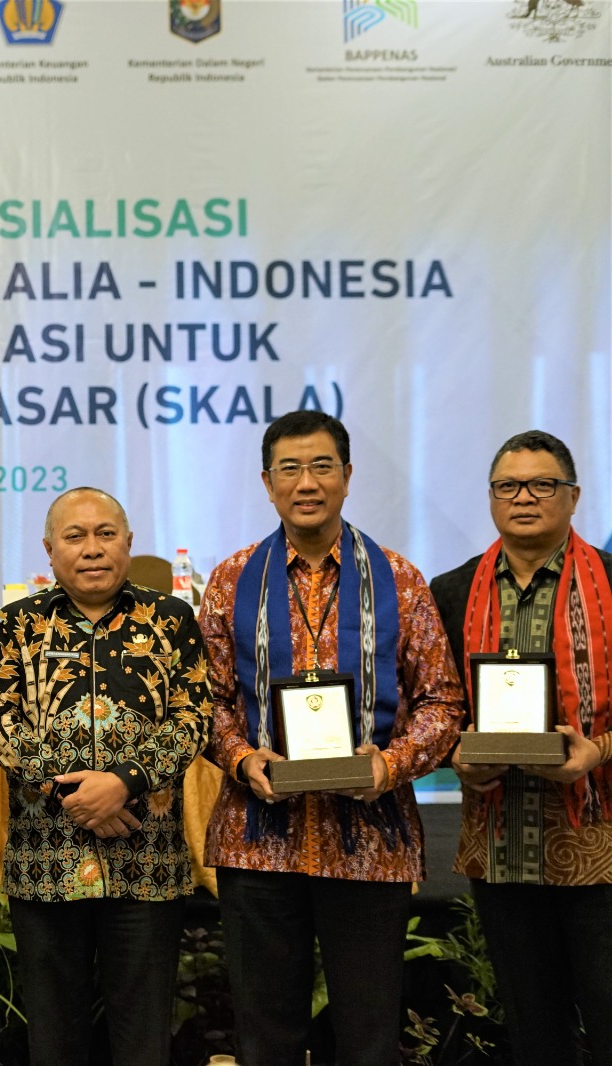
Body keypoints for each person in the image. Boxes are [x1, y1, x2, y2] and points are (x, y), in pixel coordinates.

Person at [198, 411, 463, 1066]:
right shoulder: (232, 579)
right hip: (258, 845)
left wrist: (389, 765)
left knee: (368, 1039)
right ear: (267, 483)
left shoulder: (399, 579)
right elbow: (206, 701)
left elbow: (442, 701)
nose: (306, 482)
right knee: (266, 1039)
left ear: (346, 476)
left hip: (370, 843)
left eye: (321, 466)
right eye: (289, 469)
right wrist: (242, 758)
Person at [0, 487, 214, 1066]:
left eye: (106, 534)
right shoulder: (18, 623)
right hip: (47, 859)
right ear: (49, 549)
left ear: (128, 543)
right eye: (75, 536)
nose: (92, 549)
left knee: (143, 1038)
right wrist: (76, 793)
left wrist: (125, 783)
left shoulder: (171, 618)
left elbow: (196, 717)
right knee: (55, 1040)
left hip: (147, 861)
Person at [430, 430, 612, 1065]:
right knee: (534, 1032)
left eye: (542, 485)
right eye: (508, 486)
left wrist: (598, 751)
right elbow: (437, 705)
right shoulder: (452, 591)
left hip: (601, 845)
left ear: (573, 497)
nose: (524, 498)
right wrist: (455, 754)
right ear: (491, 498)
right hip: (503, 843)